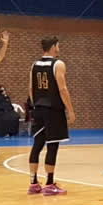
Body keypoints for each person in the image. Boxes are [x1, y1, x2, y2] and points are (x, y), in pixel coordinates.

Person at [28, 36, 76, 196]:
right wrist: (70, 110)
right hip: (53, 110)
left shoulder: (34, 64)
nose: (59, 48)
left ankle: (33, 183)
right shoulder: (58, 64)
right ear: (54, 47)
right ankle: (49, 184)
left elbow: (30, 88)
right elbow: (62, 89)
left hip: (38, 108)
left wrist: (36, 105)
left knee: (37, 145)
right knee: (52, 145)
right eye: (58, 45)